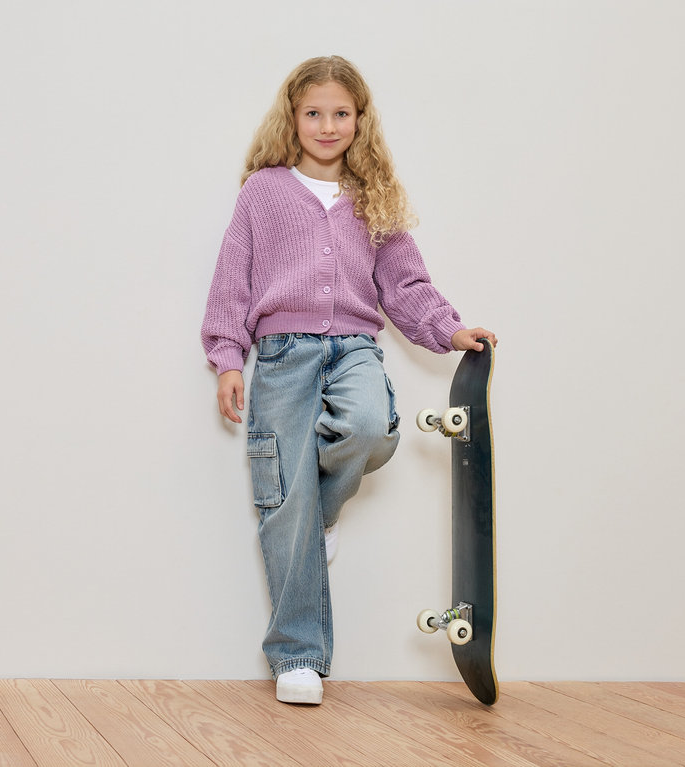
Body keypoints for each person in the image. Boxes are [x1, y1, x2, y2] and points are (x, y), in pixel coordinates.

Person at [201, 55, 497, 705]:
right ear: (293, 117)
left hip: (355, 348)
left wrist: (447, 330)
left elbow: (405, 285)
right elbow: (233, 279)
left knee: (368, 429)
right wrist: (227, 357)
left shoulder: (374, 196)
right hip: (282, 356)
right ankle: (297, 656)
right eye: (314, 113)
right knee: (284, 498)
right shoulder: (263, 192)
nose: (327, 125)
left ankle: (320, 511)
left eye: (340, 113)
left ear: (359, 120)